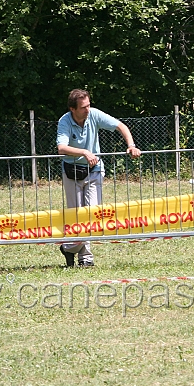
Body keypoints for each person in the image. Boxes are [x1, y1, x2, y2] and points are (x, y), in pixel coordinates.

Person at [57, 89, 142, 267]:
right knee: (76, 216)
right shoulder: (64, 121)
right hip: (71, 172)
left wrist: (131, 145)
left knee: (92, 216)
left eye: (88, 105)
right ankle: (83, 256)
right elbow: (62, 148)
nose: (87, 110)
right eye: (83, 107)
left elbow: (121, 126)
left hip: (94, 171)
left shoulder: (94, 114)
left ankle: (72, 250)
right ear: (73, 109)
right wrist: (84, 152)